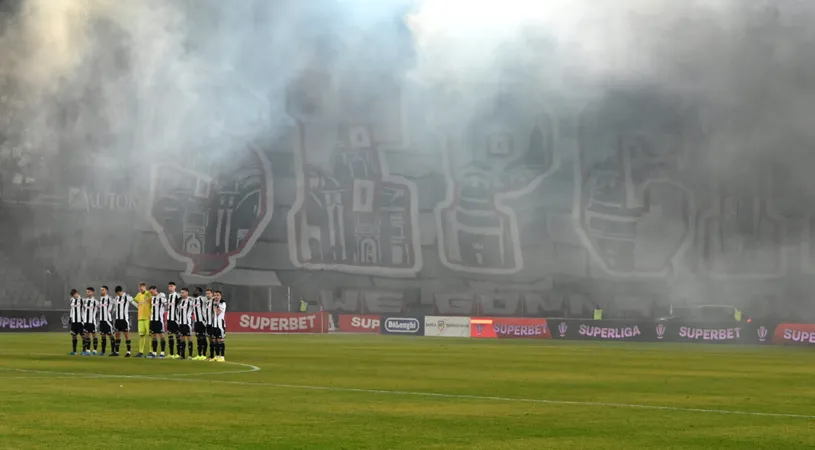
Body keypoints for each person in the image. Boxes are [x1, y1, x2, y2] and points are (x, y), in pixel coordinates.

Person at [111, 286, 136, 357]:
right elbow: (115, 307)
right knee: (117, 335)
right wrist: (112, 312)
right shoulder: (116, 298)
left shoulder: (127, 297)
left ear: (119, 292)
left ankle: (128, 352)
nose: (117, 295)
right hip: (117, 320)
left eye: (117, 293)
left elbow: (135, 304)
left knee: (126, 336)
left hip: (124, 320)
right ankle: (117, 352)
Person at [134, 282, 152, 358]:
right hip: (140, 317)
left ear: (145, 287)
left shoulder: (148, 294)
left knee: (150, 335)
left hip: (148, 317)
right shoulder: (138, 294)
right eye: (140, 287)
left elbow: (152, 303)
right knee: (141, 335)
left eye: (142, 287)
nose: (141, 289)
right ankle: (140, 352)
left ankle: (151, 351)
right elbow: (134, 301)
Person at [148, 285, 167, 359]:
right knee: (153, 336)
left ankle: (162, 353)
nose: (151, 293)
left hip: (159, 320)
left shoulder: (161, 296)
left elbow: (166, 304)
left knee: (161, 335)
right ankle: (154, 353)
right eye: (150, 292)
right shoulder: (152, 298)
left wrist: (163, 311)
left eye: (152, 292)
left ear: (155, 290)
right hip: (153, 319)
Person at [165, 282, 182, 359]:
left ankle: (178, 353)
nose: (170, 287)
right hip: (169, 318)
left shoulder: (178, 295)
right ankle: (171, 354)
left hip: (176, 319)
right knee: (170, 336)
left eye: (171, 286)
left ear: (175, 287)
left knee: (178, 336)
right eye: (169, 286)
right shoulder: (169, 296)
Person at [176, 287, 194, 359]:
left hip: (187, 323)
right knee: (182, 338)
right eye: (181, 292)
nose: (182, 294)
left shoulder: (190, 301)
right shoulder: (180, 301)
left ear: (187, 293)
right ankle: (182, 355)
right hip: (181, 322)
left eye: (183, 292)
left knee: (189, 338)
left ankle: (190, 355)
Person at [210, 290, 226, 362]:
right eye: (215, 295)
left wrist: (216, 306)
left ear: (220, 296)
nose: (216, 297)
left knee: (220, 340)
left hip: (220, 324)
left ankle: (222, 356)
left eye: (218, 295)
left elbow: (217, 312)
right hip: (214, 324)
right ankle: (217, 356)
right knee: (214, 340)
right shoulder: (213, 302)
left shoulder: (222, 303)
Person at [97, 286, 114, 356]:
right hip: (102, 320)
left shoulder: (109, 298)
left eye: (103, 290)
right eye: (101, 290)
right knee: (102, 335)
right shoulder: (100, 299)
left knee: (110, 335)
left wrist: (110, 310)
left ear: (106, 291)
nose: (101, 291)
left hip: (107, 320)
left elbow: (112, 306)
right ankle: (103, 351)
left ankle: (113, 351)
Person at [82, 287, 99, 356]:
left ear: (92, 292)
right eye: (86, 292)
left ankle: (95, 350)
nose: (87, 293)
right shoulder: (85, 301)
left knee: (94, 335)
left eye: (88, 292)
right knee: (86, 336)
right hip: (86, 321)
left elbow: (101, 308)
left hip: (92, 321)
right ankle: (88, 351)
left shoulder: (96, 301)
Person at [68, 289, 83, 355]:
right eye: (72, 296)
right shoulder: (71, 300)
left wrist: (84, 319)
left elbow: (85, 310)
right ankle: (74, 351)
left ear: (77, 293)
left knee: (83, 335)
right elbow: (72, 309)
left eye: (74, 295)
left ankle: (85, 351)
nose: (74, 296)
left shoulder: (82, 300)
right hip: (74, 321)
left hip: (80, 321)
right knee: (73, 335)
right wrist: (70, 317)